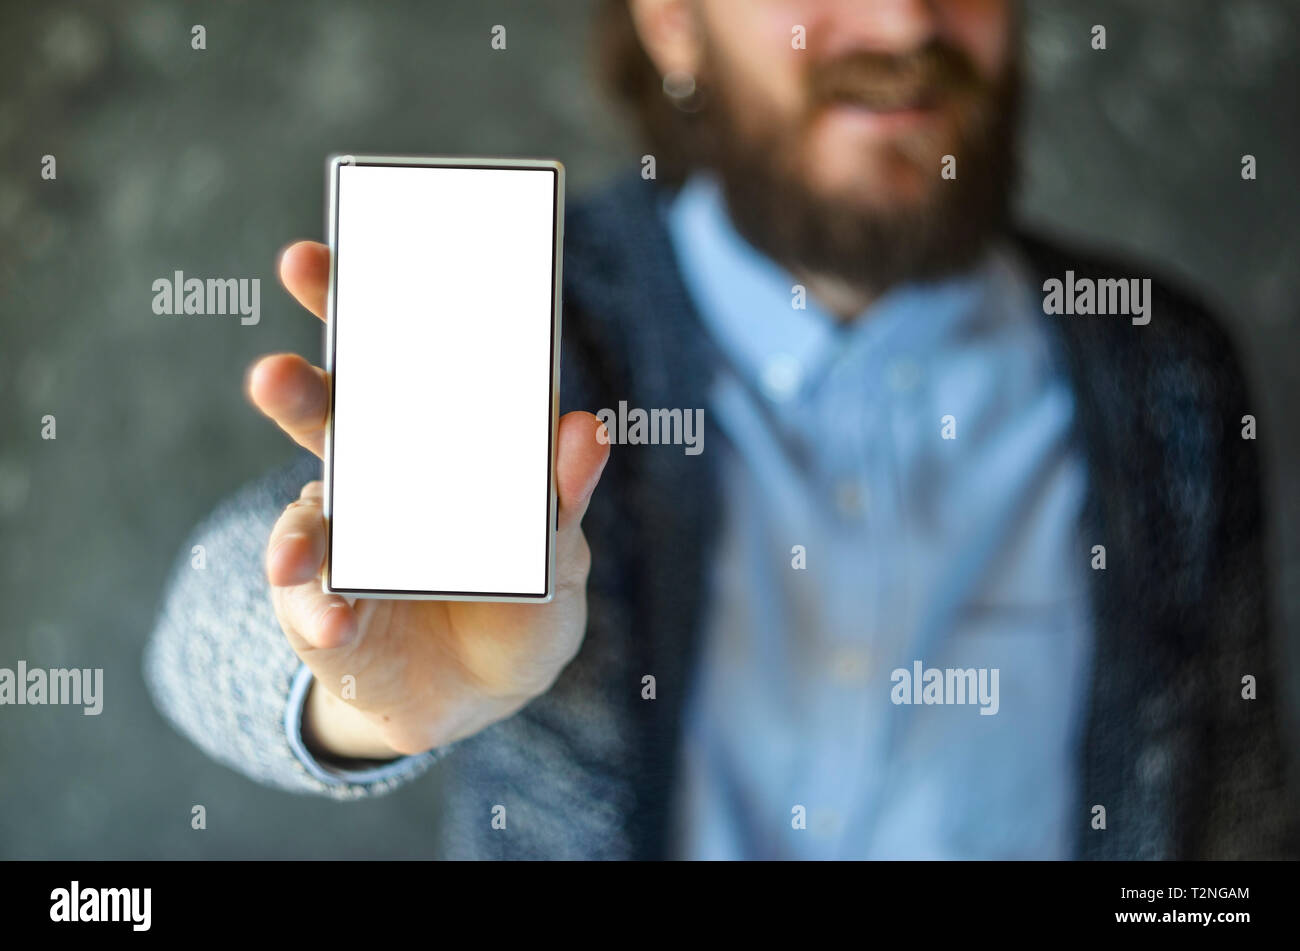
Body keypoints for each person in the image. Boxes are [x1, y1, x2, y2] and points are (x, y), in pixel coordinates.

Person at [144, 0, 1295, 859]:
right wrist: (358, 693)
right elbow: (212, 620)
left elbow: (1232, 810)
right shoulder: (539, 320)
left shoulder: (1162, 369)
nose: (902, 20)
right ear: (671, 23)